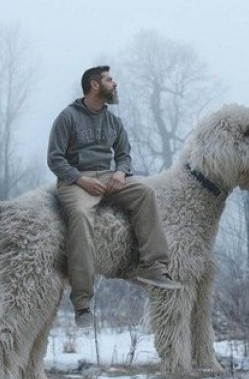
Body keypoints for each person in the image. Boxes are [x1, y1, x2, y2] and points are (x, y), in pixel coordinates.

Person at [47, 65, 181, 328]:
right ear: (95, 85)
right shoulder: (68, 117)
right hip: (76, 179)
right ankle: (83, 302)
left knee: (145, 193)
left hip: (109, 177)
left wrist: (121, 173)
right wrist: (80, 179)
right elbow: (55, 159)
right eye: (110, 80)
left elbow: (124, 154)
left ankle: (155, 267)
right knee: (82, 215)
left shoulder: (113, 121)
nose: (115, 83)